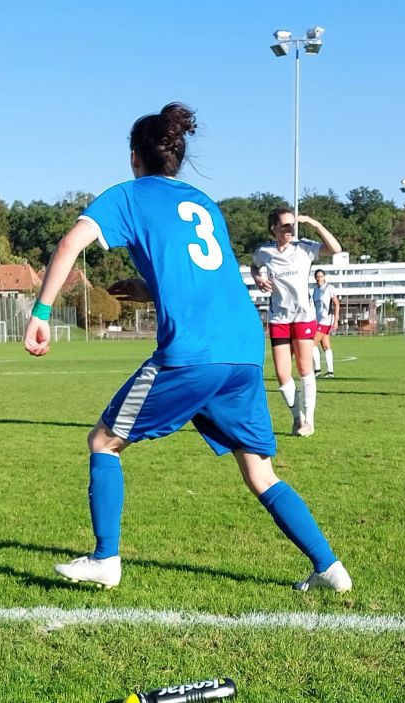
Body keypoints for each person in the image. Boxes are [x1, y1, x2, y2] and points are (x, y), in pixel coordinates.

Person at [23, 103, 351, 593]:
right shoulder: (204, 203)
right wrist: (146, 285)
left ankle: (105, 559)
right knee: (259, 470)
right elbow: (202, 275)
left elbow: (71, 243)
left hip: (192, 353)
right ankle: (330, 569)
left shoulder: (128, 196)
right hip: (242, 350)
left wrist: (41, 313)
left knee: (103, 442)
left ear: (135, 157)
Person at [251, 210, 342, 437]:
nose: (289, 230)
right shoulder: (265, 252)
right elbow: (254, 266)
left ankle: (309, 421)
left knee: (304, 368)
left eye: (292, 226)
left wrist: (314, 222)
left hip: (303, 316)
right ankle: (297, 418)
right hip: (279, 318)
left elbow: (336, 249)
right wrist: (258, 278)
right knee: (282, 373)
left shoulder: (304, 248)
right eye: (284, 226)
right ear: (273, 228)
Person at [312, 268, 340, 378]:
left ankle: (317, 369)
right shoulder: (315, 290)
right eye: (317, 276)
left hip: (326, 320)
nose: (319, 278)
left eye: (321, 276)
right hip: (318, 321)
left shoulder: (329, 288)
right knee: (326, 346)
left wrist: (335, 320)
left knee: (311, 343)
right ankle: (330, 372)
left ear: (324, 277)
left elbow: (336, 304)